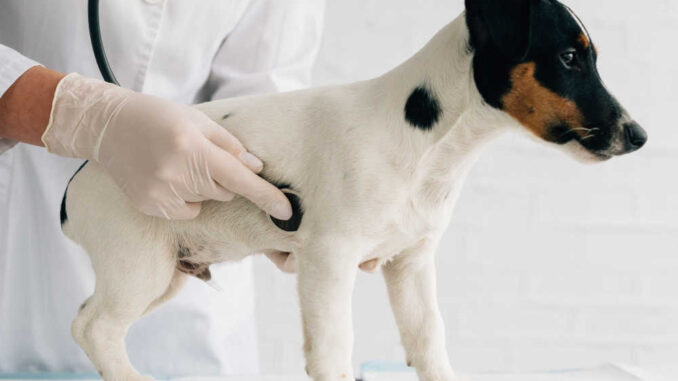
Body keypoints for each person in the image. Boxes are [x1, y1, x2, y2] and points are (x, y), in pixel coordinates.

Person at [0, 0, 324, 376]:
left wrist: (289, 199)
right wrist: (82, 114)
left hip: (190, 300)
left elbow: (269, 93)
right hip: (20, 238)